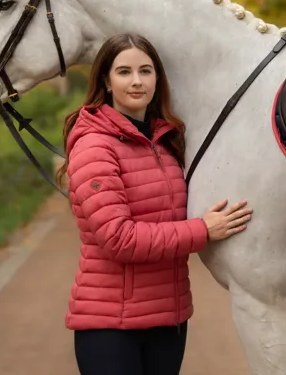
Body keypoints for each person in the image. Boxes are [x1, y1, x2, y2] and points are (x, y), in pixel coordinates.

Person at [56, 32, 253, 375]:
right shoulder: (94, 146)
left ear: (158, 78)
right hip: (110, 328)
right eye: (124, 72)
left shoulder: (166, 141)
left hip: (168, 320)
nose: (137, 81)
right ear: (106, 79)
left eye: (146, 71)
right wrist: (203, 230)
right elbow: (119, 239)